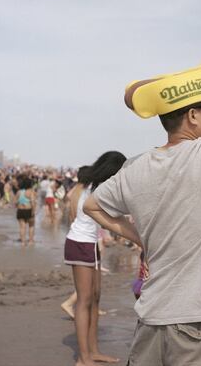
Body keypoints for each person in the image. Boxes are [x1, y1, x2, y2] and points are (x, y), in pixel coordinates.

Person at [83, 35, 201, 365]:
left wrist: (137, 235)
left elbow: (92, 205)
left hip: (151, 320)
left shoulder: (135, 168)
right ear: (191, 116)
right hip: (200, 323)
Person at [64, 151, 140, 366]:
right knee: (84, 301)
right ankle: (83, 357)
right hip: (79, 244)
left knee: (95, 299)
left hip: (89, 245)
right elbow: (115, 220)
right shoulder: (92, 187)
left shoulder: (94, 186)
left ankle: (94, 351)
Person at [15, 177, 36, 246]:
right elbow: (33, 203)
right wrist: (33, 212)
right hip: (28, 210)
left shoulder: (19, 192)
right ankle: (30, 241)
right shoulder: (30, 192)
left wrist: (19, 204)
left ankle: (23, 242)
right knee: (31, 226)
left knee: (22, 227)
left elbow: (15, 203)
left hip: (20, 210)